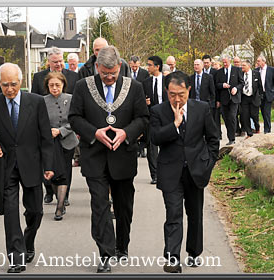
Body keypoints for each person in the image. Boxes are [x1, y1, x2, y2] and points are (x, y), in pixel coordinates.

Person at [68, 46, 149, 273]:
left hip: (123, 156)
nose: (110, 77)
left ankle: (122, 246)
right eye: (105, 73)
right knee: (100, 205)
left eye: (113, 72)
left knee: (124, 207)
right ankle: (105, 253)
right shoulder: (83, 87)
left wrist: (126, 133)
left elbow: (143, 118)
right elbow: (74, 117)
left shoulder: (135, 88)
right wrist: (94, 132)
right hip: (94, 157)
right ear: (97, 68)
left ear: (120, 67)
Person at [0, 63, 54, 273]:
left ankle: (28, 241)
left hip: (31, 163)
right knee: (11, 212)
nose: (10, 89)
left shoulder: (36, 102)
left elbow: (46, 137)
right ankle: (16, 257)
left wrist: (48, 165)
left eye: (13, 84)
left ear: (21, 82)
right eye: (5, 85)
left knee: (35, 212)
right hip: (6, 166)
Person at [149, 71, 219, 273]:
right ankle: (172, 258)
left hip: (197, 170)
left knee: (195, 213)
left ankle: (194, 252)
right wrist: (174, 124)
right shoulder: (158, 111)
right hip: (171, 171)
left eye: (181, 94)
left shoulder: (202, 109)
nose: (177, 99)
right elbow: (154, 138)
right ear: (166, 92)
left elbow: (213, 139)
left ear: (189, 90)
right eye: (172, 94)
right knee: (173, 214)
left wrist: (209, 163)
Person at [43, 72, 79, 220]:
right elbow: (38, 120)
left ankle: (60, 205)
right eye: (51, 85)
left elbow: (75, 119)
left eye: (57, 85)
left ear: (63, 85)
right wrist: (48, 131)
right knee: (51, 173)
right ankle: (59, 197)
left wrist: (61, 130)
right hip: (49, 142)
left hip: (67, 141)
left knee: (65, 171)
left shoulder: (71, 99)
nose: (55, 88)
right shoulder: (42, 101)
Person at [142, 56, 167, 185]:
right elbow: (141, 100)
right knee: (151, 147)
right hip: (152, 117)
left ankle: (166, 172)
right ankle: (155, 174)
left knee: (166, 145)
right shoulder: (146, 82)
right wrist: (145, 103)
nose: (148, 67)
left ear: (157, 67)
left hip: (166, 117)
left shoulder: (167, 80)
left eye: (150, 65)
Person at [215, 55, 244, 145]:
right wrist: (222, 85)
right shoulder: (219, 72)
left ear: (230, 61)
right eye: (223, 62)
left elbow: (242, 83)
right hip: (224, 99)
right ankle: (230, 137)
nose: (225, 64)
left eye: (226, 62)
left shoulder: (237, 70)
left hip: (234, 98)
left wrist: (236, 88)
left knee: (232, 116)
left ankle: (232, 138)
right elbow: (216, 85)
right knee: (226, 118)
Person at [256, 55, 274, 134]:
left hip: (268, 93)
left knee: (267, 111)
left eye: (259, 61)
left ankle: (267, 129)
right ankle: (265, 127)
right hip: (260, 94)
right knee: (263, 111)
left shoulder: (271, 70)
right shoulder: (256, 70)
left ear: (264, 61)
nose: (257, 62)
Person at [240, 60, 263, 138]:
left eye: (243, 65)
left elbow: (260, 86)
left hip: (254, 97)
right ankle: (249, 133)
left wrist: (260, 96)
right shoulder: (240, 74)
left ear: (248, 66)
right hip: (244, 98)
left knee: (254, 115)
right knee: (245, 116)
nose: (242, 67)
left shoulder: (256, 74)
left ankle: (257, 127)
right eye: (241, 65)